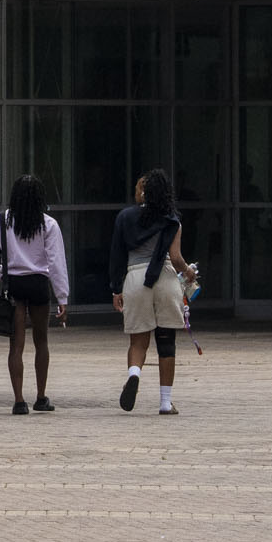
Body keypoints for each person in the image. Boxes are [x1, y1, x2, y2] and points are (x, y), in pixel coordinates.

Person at [0, 173, 70, 415]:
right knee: (42, 342)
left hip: (13, 286)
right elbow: (57, 262)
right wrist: (62, 297)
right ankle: (41, 397)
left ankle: (19, 400)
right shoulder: (48, 224)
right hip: (39, 284)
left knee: (16, 345)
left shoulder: (0, 221)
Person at [111, 167, 195, 416]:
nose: (136, 191)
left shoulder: (125, 218)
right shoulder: (172, 219)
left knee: (138, 340)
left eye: (138, 188)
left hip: (136, 278)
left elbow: (117, 255)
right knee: (166, 342)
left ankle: (134, 374)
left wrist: (116, 289)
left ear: (144, 192)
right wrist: (189, 273)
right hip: (165, 278)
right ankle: (165, 402)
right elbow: (176, 258)